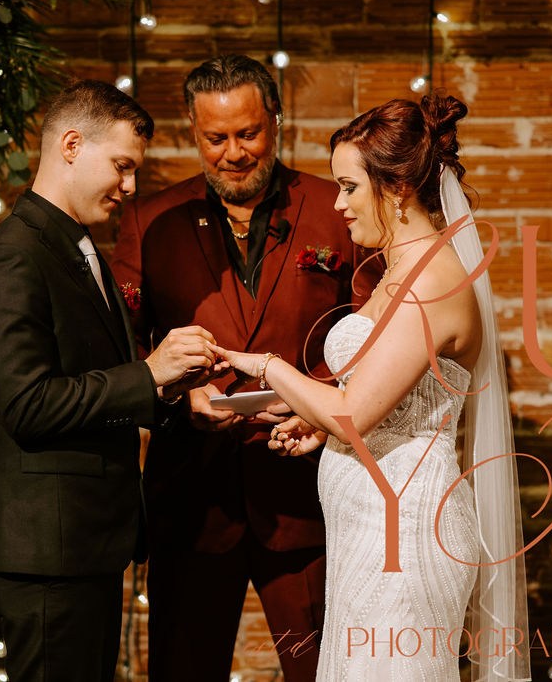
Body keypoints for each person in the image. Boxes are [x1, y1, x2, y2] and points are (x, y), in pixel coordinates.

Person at [215, 95, 531, 681]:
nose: (337, 204)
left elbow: (355, 412)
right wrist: (316, 422)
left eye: (348, 187)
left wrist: (267, 368)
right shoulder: (397, 273)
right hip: (366, 530)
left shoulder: (433, 281)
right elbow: (379, 399)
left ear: (398, 188)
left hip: (405, 534)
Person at [110, 54, 376, 680]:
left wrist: (316, 401)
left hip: (307, 495)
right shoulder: (149, 220)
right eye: (215, 138)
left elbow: (373, 332)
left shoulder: (336, 207)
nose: (233, 153)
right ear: (193, 132)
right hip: (191, 500)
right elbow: (120, 346)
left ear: (276, 121)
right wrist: (178, 397)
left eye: (248, 133)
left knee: (323, 672)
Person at [0, 80, 222, 682]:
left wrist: (171, 394)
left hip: (84, 545)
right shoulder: (11, 256)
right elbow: (26, 405)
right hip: (45, 555)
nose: (130, 187)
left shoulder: (79, 248)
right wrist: (148, 374)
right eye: (122, 166)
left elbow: (90, 379)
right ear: (72, 145)